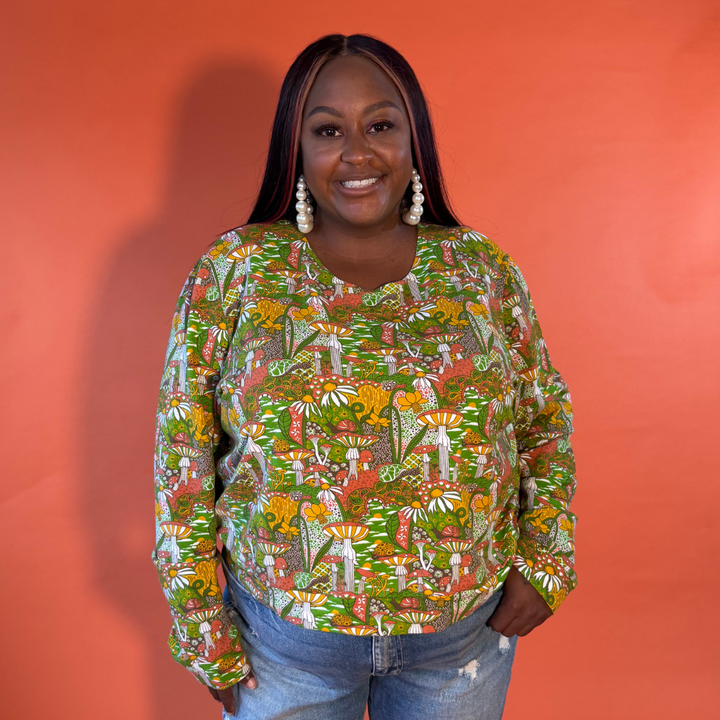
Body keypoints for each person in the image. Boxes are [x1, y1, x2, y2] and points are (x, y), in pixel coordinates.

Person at [152, 33, 577, 720]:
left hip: (460, 647)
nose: (357, 153)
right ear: (296, 147)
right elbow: (182, 454)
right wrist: (202, 626)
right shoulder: (234, 272)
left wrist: (547, 555)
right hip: (285, 655)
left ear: (414, 140)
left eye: (380, 125)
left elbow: (543, 418)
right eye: (328, 131)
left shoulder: (479, 270)